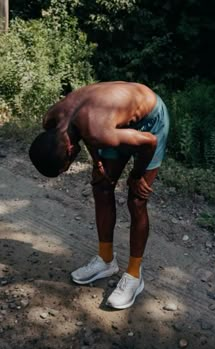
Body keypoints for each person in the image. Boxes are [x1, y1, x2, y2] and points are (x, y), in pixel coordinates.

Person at [29, 81, 169, 309]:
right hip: (111, 120)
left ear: (70, 152)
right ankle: (106, 260)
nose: (68, 168)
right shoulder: (51, 120)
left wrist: (136, 175)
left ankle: (135, 275)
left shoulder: (97, 131)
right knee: (102, 187)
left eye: (66, 166)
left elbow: (148, 143)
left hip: (150, 119)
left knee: (136, 198)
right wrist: (98, 161)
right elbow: (81, 132)